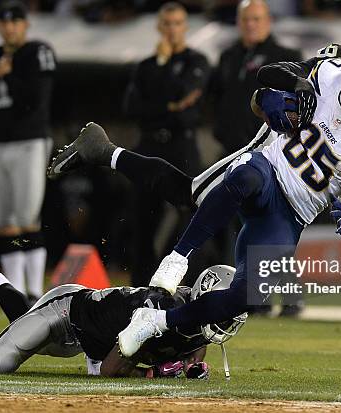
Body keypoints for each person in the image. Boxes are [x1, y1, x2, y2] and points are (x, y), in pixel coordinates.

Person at [51, 45, 341, 356]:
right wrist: (270, 99)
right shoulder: (333, 71)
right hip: (276, 162)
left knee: (254, 291)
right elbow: (268, 85)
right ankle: (174, 257)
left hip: (326, 184)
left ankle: (158, 322)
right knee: (213, 188)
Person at [0, 244, 245, 378]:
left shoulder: (196, 315)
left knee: (21, 329)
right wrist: (153, 375)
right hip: (66, 313)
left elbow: (196, 337)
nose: (225, 318)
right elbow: (108, 370)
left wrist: (192, 363)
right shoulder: (159, 311)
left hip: (89, 335)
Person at [122, 2, 210, 287]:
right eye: (167, 24)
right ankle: (139, 287)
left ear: (185, 27)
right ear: (159, 27)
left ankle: (186, 284)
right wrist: (171, 105)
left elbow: (188, 112)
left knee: (191, 216)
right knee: (142, 217)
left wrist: (163, 101)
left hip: (181, 148)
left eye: (177, 23)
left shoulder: (197, 61)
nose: (172, 29)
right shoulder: (147, 66)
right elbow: (131, 108)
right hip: (149, 145)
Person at [0, 0, 55, 302]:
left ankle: (35, 290)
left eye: (15, 21)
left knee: (27, 216)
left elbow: (36, 99)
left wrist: (5, 75)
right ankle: (16, 293)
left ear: (25, 24)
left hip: (28, 141)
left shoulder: (37, 51)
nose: (9, 27)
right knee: (4, 220)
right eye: (4, 21)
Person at [213, 0, 301, 154]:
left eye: (256, 19)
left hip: (269, 152)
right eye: (245, 19)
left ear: (268, 21)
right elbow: (217, 96)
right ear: (238, 21)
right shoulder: (228, 56)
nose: (250, 24)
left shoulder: (287, 57)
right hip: (229, 149)